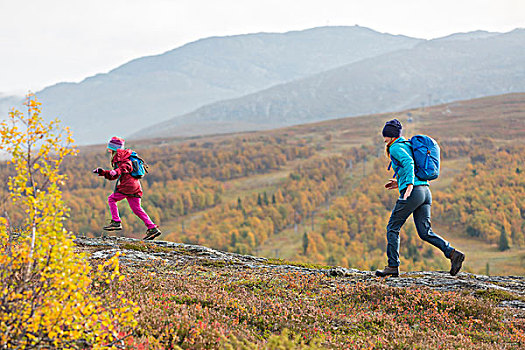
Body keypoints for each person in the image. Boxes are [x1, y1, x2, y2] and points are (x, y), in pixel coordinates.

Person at [376, 119, 465, 277]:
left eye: (386, 135)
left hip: (413, 192)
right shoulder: (408, 144)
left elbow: (408, 162)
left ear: (390, 136)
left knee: (392, 227)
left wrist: (408, 184)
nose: (384, 139)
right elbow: (412, 166)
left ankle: (392, 266)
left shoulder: (395, 147)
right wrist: (399, 182)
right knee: (425, 232)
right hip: (425, 191)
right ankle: (452, 253)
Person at [92, 136, 161, 240]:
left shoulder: (121, 156)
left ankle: (116, 221)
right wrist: (103, 172)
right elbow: (115, 175)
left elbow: (127, 166)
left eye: (110, 147)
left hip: (128, 186)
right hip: (135, 186)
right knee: (137, 209)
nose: (108, 150)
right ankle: (152, 228)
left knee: (111, 199)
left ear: (114, 148)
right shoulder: (121, 157)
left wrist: (117, 171)